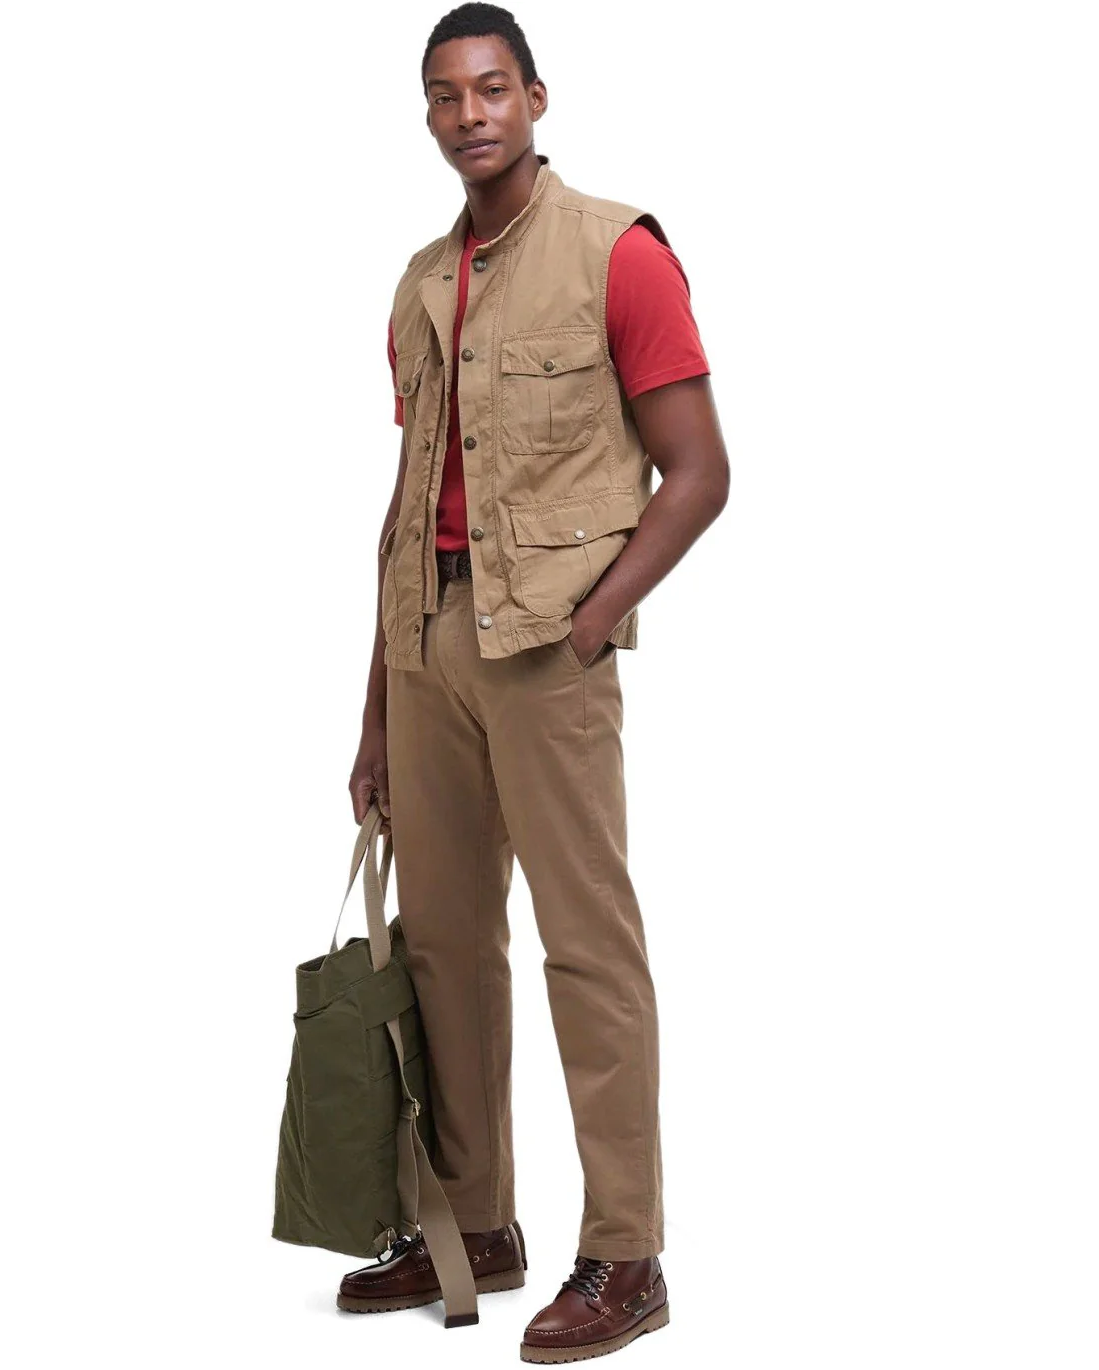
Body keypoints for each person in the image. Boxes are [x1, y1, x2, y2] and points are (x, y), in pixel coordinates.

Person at [342, 4, 730, 1361]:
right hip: (427, 646)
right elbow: (407, 505)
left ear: (537, 99)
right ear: (428, 115)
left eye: (493, 88)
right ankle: (476, 1225)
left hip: (549, 653)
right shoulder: (417, 283)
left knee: (588, 947)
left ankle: (627, 1253)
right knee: (444, 948)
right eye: (446, 96)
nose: (471, 115)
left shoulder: (617, 252)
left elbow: (700, 472)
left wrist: (592, 624)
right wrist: (376, 708)